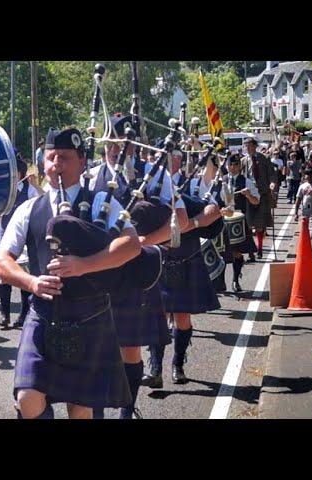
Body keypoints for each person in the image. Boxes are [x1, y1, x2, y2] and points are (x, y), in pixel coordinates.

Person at [0, 127, 141, 419]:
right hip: (43, 314)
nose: (56, 164)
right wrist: (31, 282)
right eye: (50, 158)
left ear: (82, 162)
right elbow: (1, 262)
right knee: (27, 398)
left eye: (64, 157)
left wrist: (85, 265)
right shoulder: (29, 208)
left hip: (90, 313)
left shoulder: (101, 202)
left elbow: (131, 245)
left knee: (81, 407)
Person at [90, 116, 187, 418]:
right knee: (97, 349)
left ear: (133, 145)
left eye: (123, 143)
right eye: (112, 142)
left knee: (128, 347)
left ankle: (126, 411)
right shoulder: (91, 177)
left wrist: (145, 240)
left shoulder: (155, 176)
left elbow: (180, 221)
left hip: (134, 274)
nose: (116, 148)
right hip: (97, 273)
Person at [143, 146, 223, 386]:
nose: (160, 162)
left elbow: (214, 210)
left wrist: (191, 224)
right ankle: (155, 369)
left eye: (167, 158)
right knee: (157, 317)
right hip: (159, 263)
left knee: (182, 317)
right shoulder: (150, 192)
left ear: (177, 160)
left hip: (186, 260)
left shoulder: (192, 186)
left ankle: (178, 364)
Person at [0, 156, 42, 329]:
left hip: (24, 235)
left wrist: (35, 184)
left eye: (14, 171)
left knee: (23, 273)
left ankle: (23, 314)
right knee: (3, 275)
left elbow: (42, 200)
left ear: (20, 172)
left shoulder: (29, 189)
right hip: (6, 231)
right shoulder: (6, 189)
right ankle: (4, 315)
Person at [225, 153, 260, 292]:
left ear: (240, 166)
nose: (233, 167)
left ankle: (235, 280)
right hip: (222, 219)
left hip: (238, 220)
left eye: (236, 165)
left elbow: (256, 202)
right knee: (222, 251)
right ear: (227, 166)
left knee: (237, 252)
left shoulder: (247, 182)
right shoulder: (220, 180)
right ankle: (220, 282)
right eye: (230, 165)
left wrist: (249, 195)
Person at [242, 135, 277, 259]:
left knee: (260, 224)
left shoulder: (264, 159)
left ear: (255, 147)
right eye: (246, 146)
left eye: (250, 146)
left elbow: (272, 174)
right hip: (249, 195)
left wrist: (272, 183)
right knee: (248, 224)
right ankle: (251, 251)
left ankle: (260, 249)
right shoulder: (243, 161)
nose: (248, 148)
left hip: (262, 194)